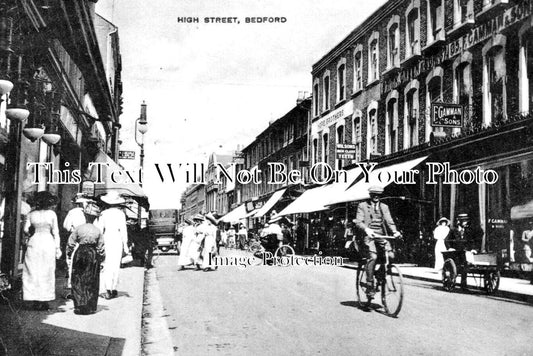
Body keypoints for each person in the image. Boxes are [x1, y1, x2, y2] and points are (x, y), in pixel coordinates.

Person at [354, 186, 401, 297]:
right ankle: (370, 286)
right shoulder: (362, 206)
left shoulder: (384, 207)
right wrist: (367, 229)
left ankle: (380, 276)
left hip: (381, 235)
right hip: (368, 235)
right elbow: (358, 222)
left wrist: (395, 231)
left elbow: (389, 221)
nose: (376, 197)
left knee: (391, 255)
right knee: (373, 257)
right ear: (370, 195)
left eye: (378, 195)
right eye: (374, 194)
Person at [23, 191, 61, 310]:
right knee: (47, 270)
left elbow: (25, 229)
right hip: (47, 242)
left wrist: (30, 234)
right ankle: (44, 300)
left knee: (33, 270)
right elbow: (56, 232)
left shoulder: (31, 214)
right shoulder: (51, 214)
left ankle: (34, 298)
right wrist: (58, 247)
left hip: (34, 242)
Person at [67, 202, 105, 315]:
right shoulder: (97, 230)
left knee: (77, 277)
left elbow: (70, 243)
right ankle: (90, 306)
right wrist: (102, 259)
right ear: (95, 218)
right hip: (92, 254)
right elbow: (101, 247)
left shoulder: (79, 229)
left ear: (85, 216)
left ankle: (79, 305)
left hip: (80, 252)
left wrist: (69, 254)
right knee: (91, 279)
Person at [95, 191, 129, 299]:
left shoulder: (103, 214)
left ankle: (107, 288)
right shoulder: (121, 214)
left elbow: (100, 230)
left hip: (107, 238)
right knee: (115, 264)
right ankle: (113, 288)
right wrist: (125, 244)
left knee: (107, 264)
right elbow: (124, 231)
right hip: (117, 238)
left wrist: (98, 243)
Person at [62, 194, 90, 298]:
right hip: (87, 239)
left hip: (75, 237)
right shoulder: (89, 213)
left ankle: (72, 287)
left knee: (71, 261)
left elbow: (66, 226)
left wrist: (72, 230)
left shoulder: (72, 212)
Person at [450, 213, 484, 289]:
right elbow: (447, 240)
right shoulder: (453, 230)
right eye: (463, 221)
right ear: (459, 221)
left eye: (466, 220)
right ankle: (463, 283)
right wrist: (450, 248)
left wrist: (474, 249)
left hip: (467, 250)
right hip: (457, 251)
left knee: (467, 260)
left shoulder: (469, 230)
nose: (465, 222)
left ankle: (464, 281)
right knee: (463, 263)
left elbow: (474, 240)